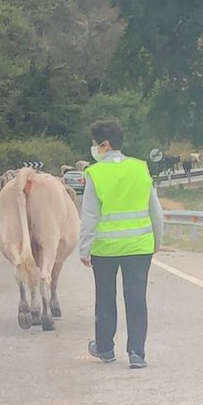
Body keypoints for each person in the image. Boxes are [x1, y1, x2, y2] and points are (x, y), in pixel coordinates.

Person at [78, 119, 164, 370]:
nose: (94, 149)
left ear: (105, 144)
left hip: (105, 248)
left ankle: (105, 348)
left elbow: (90, 216)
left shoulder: (95, 173)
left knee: (105, 298)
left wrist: (84, 248)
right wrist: (156, 241)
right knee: (136, 298)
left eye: (95, 144)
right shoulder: (140, 168)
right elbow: (156, 211)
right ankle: (137, 353)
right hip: (139, 246)